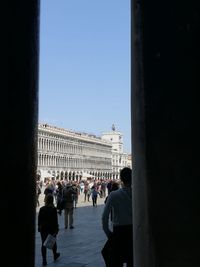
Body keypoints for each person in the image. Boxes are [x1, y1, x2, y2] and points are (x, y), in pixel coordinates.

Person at [102, 167, 133, 267]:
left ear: (121, 178)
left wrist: (108, 232)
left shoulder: (114, 195)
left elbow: (104, 216)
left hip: (119, 232)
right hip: (133, 231)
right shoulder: (138, 193)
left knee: (116, 261)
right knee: (132, 260)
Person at [38, 194, 60, 266]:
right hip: (51, 228)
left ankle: (44, 260)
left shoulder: (42, 209)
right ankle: (55, 255)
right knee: (53, 241)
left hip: (43, 228)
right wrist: (56, 229)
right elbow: (55, 220)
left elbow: (39, 220)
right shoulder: (53, 209)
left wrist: (39, 227)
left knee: (43, 244)